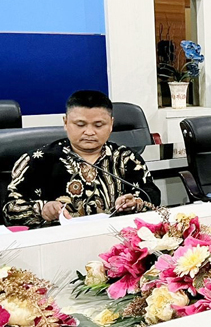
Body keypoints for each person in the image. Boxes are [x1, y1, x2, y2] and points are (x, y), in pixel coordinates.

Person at [3, 90, 161, 228]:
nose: (89, 132)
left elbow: (152, 196)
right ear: (66, 123)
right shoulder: (37, 161)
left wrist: (135, 202)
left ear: (111, 124)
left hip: (116, 237)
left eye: (98, 125)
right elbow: (9, 210)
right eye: (80, 125)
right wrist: (42, 210)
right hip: (57, 241)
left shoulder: (126, 158)